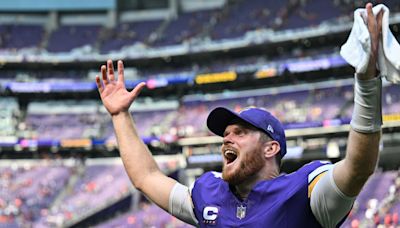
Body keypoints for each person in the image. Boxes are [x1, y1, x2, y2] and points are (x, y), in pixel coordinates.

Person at [95, 3, 383, 227]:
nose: (227, 140)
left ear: (271, 147)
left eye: (241, 132)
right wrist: (120, 115)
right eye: (226, 134)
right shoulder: (209, 195)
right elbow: (146, 177)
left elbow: (358, 166)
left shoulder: (306, 193)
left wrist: (367, 84)